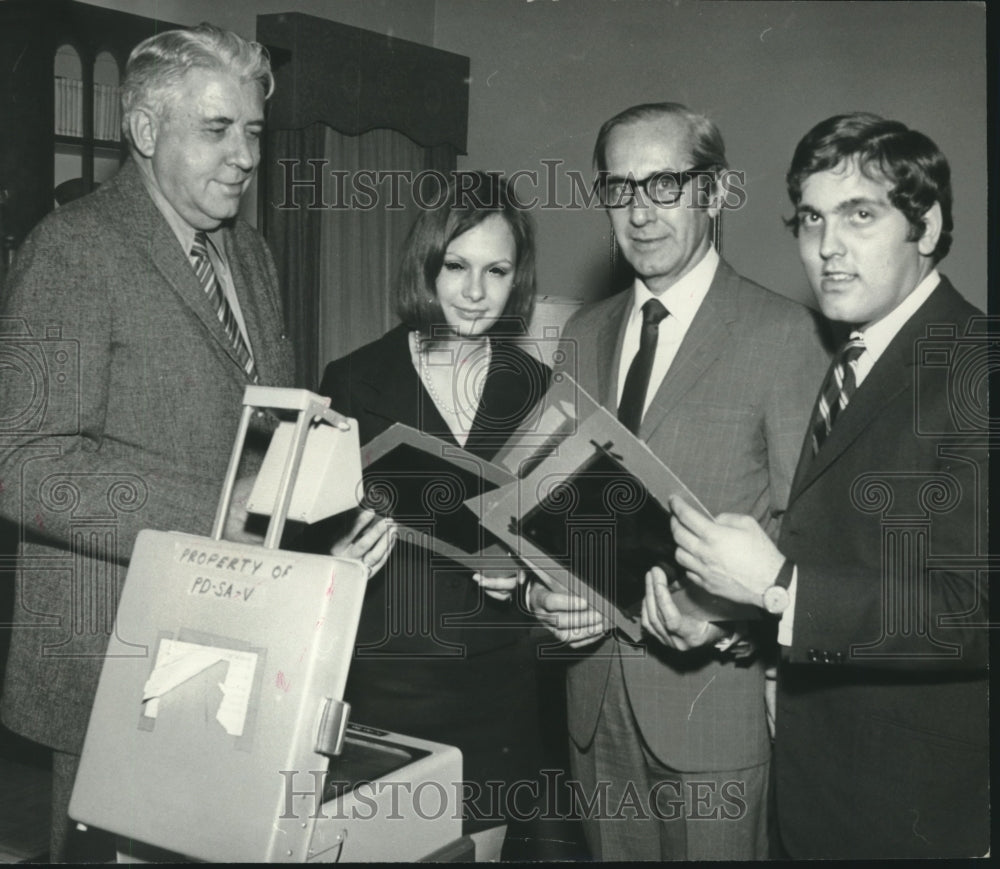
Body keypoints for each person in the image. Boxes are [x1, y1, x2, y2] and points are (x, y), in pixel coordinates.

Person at [0, 24, 390, 861]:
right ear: (145, 131)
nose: (244, 155)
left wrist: (321, 503)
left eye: (252, 131)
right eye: (217, 130)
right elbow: (24, 463)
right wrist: (226, 515)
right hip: (116, 655)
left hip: (243, 649)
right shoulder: (71, 251)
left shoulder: (248, 251)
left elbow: (263, 425)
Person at [668, 112, 989, 859]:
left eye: (860, 215)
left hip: (914, 815)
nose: (828, 248)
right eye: (811, 220)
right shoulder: (856, 353)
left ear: (928, 225)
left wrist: (778, 584)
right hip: (821, 796)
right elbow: (850, 553)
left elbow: (970, 611)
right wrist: (735, 611)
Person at [527, 102, 831, 861]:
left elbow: (809, 532)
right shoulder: (583, 334)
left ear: (716, 191)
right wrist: (543, 592)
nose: (639, 210)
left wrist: (726, 618)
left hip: (712, 706)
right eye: (620, 187)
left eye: (664, 184)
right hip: (593, 702)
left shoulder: (781, 333)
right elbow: (549, 501)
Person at [318, 171, 551, 858]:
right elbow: (302, 546)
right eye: (457, 266)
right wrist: (338, 556)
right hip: (385, 681)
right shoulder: (355, 380)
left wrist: (529, 570)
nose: (475, 292)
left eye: (496, 270)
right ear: (428, 264)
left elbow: (566, 547)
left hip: (496, 687)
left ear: (518, 279)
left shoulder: (536, 391)